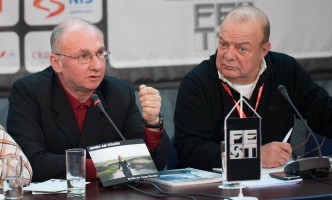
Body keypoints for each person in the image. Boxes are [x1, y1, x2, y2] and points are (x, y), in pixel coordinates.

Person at [7, 19, 169, 182]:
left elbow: (152, 164)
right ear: (57, 63)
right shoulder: (30, 92)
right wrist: (104, 168)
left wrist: (152, 123)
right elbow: (28, 163)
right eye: (84, 56)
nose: (97, 66)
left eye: (100, 54)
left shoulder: (118, 92)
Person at [174, 6, 332, 170]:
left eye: (241, 49)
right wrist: (253, 155)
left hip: (276, 183)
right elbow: (190, 151)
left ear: (263, 50)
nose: (228, 55)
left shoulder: (286, 70)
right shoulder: (197, 83)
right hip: (215, 186)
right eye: (223, 44)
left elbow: (323, 114)